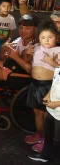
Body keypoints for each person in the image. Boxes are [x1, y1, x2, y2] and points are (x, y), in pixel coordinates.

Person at [0, 14, 37, 104]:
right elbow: (3, 58)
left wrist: (16, 57)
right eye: (21, 28)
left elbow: (31, 70)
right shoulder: (19, 40)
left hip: (23, 76)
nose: (23, 31)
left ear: (35, 29)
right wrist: (3, 47)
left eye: (27, 28)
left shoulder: (36, 46)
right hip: (14, 68)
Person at [25, 21, 60, 153]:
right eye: (43, 37)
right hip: (35, 84)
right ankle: (39, 134)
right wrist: (27, 53)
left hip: (48, 86)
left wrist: (51, 61)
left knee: (47, 114)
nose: (46, 40)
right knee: (37, 112)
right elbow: (27, 59)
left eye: (50, 37)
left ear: (56, 38)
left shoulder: (58, 50)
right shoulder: (37, 47)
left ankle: (46, 139)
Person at [28, 63, 60, 162]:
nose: (57, 57)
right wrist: (48, 95)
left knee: (57, 140)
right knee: (49, 136)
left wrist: (57, 104)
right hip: (52, 110)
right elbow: (55, 83)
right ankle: (45, 155)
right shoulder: (58, 69)